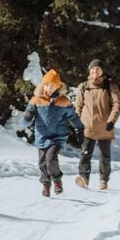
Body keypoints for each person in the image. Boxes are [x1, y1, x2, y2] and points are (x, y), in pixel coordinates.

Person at [25, 69, 84, 197]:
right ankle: (46, 185)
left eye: (52, 85)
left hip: (58, 137)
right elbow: (26, 117)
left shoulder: (64, 101)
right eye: (47, 85)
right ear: (43, 85)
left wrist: (80, 128)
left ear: (58, 86)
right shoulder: (36, 100)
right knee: (42, 163)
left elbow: (73, 117)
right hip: (41, 137)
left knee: (50, 159)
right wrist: (28, 115)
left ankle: (57, 181)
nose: (49, 88)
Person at [74, 59, 120, 190]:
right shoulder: (83, 86)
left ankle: (103, 180)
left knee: (105, 157)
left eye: (98, 69)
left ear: (102, 71)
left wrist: (111, 121)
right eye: (92, 69)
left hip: (105, 127)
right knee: (85, 154)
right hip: (87, 127)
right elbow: (78, 107)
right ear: (89, 71)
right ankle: (83, 179)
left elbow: (117, 105)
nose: (95, 71)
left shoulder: (110, 86)